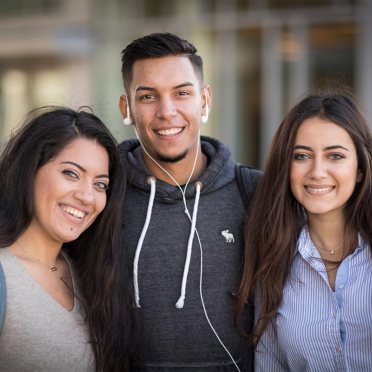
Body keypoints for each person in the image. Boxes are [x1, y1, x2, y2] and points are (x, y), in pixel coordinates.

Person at [118, 32, 257, 371]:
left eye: (182, 93)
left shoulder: (255, 191)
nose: (167, 111)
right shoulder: (102, 197)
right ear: (128, 109)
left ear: (205, 101)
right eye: (148, 96)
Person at [235, 91, 372, 371]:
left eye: (335, 155)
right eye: (301, 156)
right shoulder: (273, 263)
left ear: (360, 168)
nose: (317, 171)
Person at [0, 107, 136, 372]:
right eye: (71, 173)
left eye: (100, 184)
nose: (87, 197)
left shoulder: (92, 275)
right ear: (30, 170)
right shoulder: (5, 273)